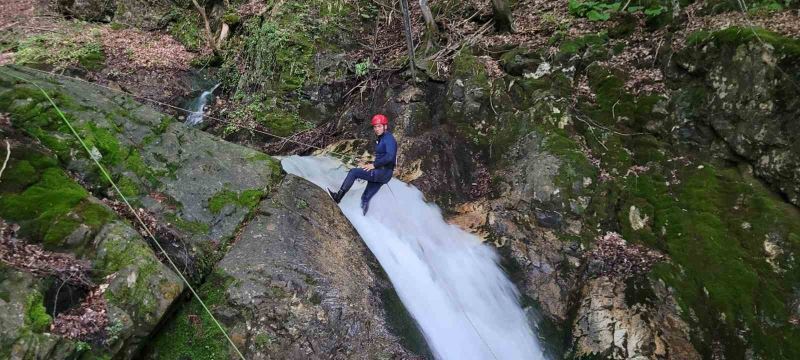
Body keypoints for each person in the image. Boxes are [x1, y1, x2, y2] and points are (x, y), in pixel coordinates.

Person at [328, 113, 397, 215]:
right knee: (365, 198)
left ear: (385, 126)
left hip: (382, 172)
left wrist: (373, 166)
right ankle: (363, 217)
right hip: (383, 172)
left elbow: (390, 157)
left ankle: (338, 197)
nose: (377, 129)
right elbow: (383, 157)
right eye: (375, 127)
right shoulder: (382, 138)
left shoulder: (389, 139)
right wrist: (370, 164)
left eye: (379, 126)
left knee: (353, 172)